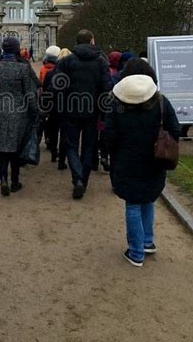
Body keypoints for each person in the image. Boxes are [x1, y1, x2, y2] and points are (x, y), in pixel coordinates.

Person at [105, 69, 180, 267]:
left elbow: (109, 136)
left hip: (127, 160)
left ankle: (136, 251)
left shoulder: (118, 107)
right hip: (155, 160)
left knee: (133, 203)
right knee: (147, 199)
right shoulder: (161, 103)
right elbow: (175, 129)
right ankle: (147, 241)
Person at [53, 29, 112, 199]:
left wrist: (61, 107)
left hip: (71, 109)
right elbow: (106, 89)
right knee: (88, 147)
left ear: (77, 42)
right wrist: (103, 110)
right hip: (92, 111)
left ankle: (77, 177)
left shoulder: (67, 61)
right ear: (92, 41)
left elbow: (58, 86)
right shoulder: (101, 62)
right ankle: (83, 180)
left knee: (71, 145)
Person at [0, 37, 37, 196]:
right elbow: (29, 93)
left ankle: (3, 180)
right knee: (15, 149)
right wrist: (36, 111)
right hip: (19, 112)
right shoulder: (23, 68)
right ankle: (14, 182)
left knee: (3, 149)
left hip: (0, 110)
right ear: (16, 49)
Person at [41, 47, 71, 167]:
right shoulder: (72, 74)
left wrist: (45, 105)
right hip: (67, 107)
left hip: (53, 107)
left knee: (53, 132)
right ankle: (62, 161)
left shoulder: (50, 73)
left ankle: (54, 153)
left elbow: (46, 90)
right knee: (64, 134)